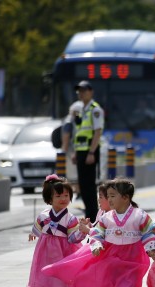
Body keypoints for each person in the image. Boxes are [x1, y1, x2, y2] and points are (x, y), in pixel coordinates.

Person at [42, 178, 155, 287]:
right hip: (110, 257)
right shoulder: (107, 218)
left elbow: (149, 232)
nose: (108, 199)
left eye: (112, 196)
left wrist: (151, 248)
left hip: (133, 258)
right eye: (108, 196)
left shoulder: (140, 216)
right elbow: (97, 233)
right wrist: (96, 245)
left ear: (125, 197)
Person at [24, 175, 86, 287]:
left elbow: (73, 238)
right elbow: (37, 229)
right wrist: (33, 234)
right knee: (44, 281)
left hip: (65, 253)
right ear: (49, 198)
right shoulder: (43, 216)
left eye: (66, 195)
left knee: (71, 282)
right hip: (45, 254)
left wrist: (82, 232)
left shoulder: (71, 219)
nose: (63, 199)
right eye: (58, 196)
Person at [69, 80, 104, 221]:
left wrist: (91, 152)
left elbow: (97, 132)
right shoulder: (82, 110)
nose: (81, 94)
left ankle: (92, 216)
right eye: (79, 91)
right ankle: (89, 214)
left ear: (91, 92)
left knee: (89, 186)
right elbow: (79, 134)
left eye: (84, 91)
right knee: (83, 185)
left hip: (90, 151)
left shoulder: (95, 110)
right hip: (82, 151)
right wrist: (76, 153)